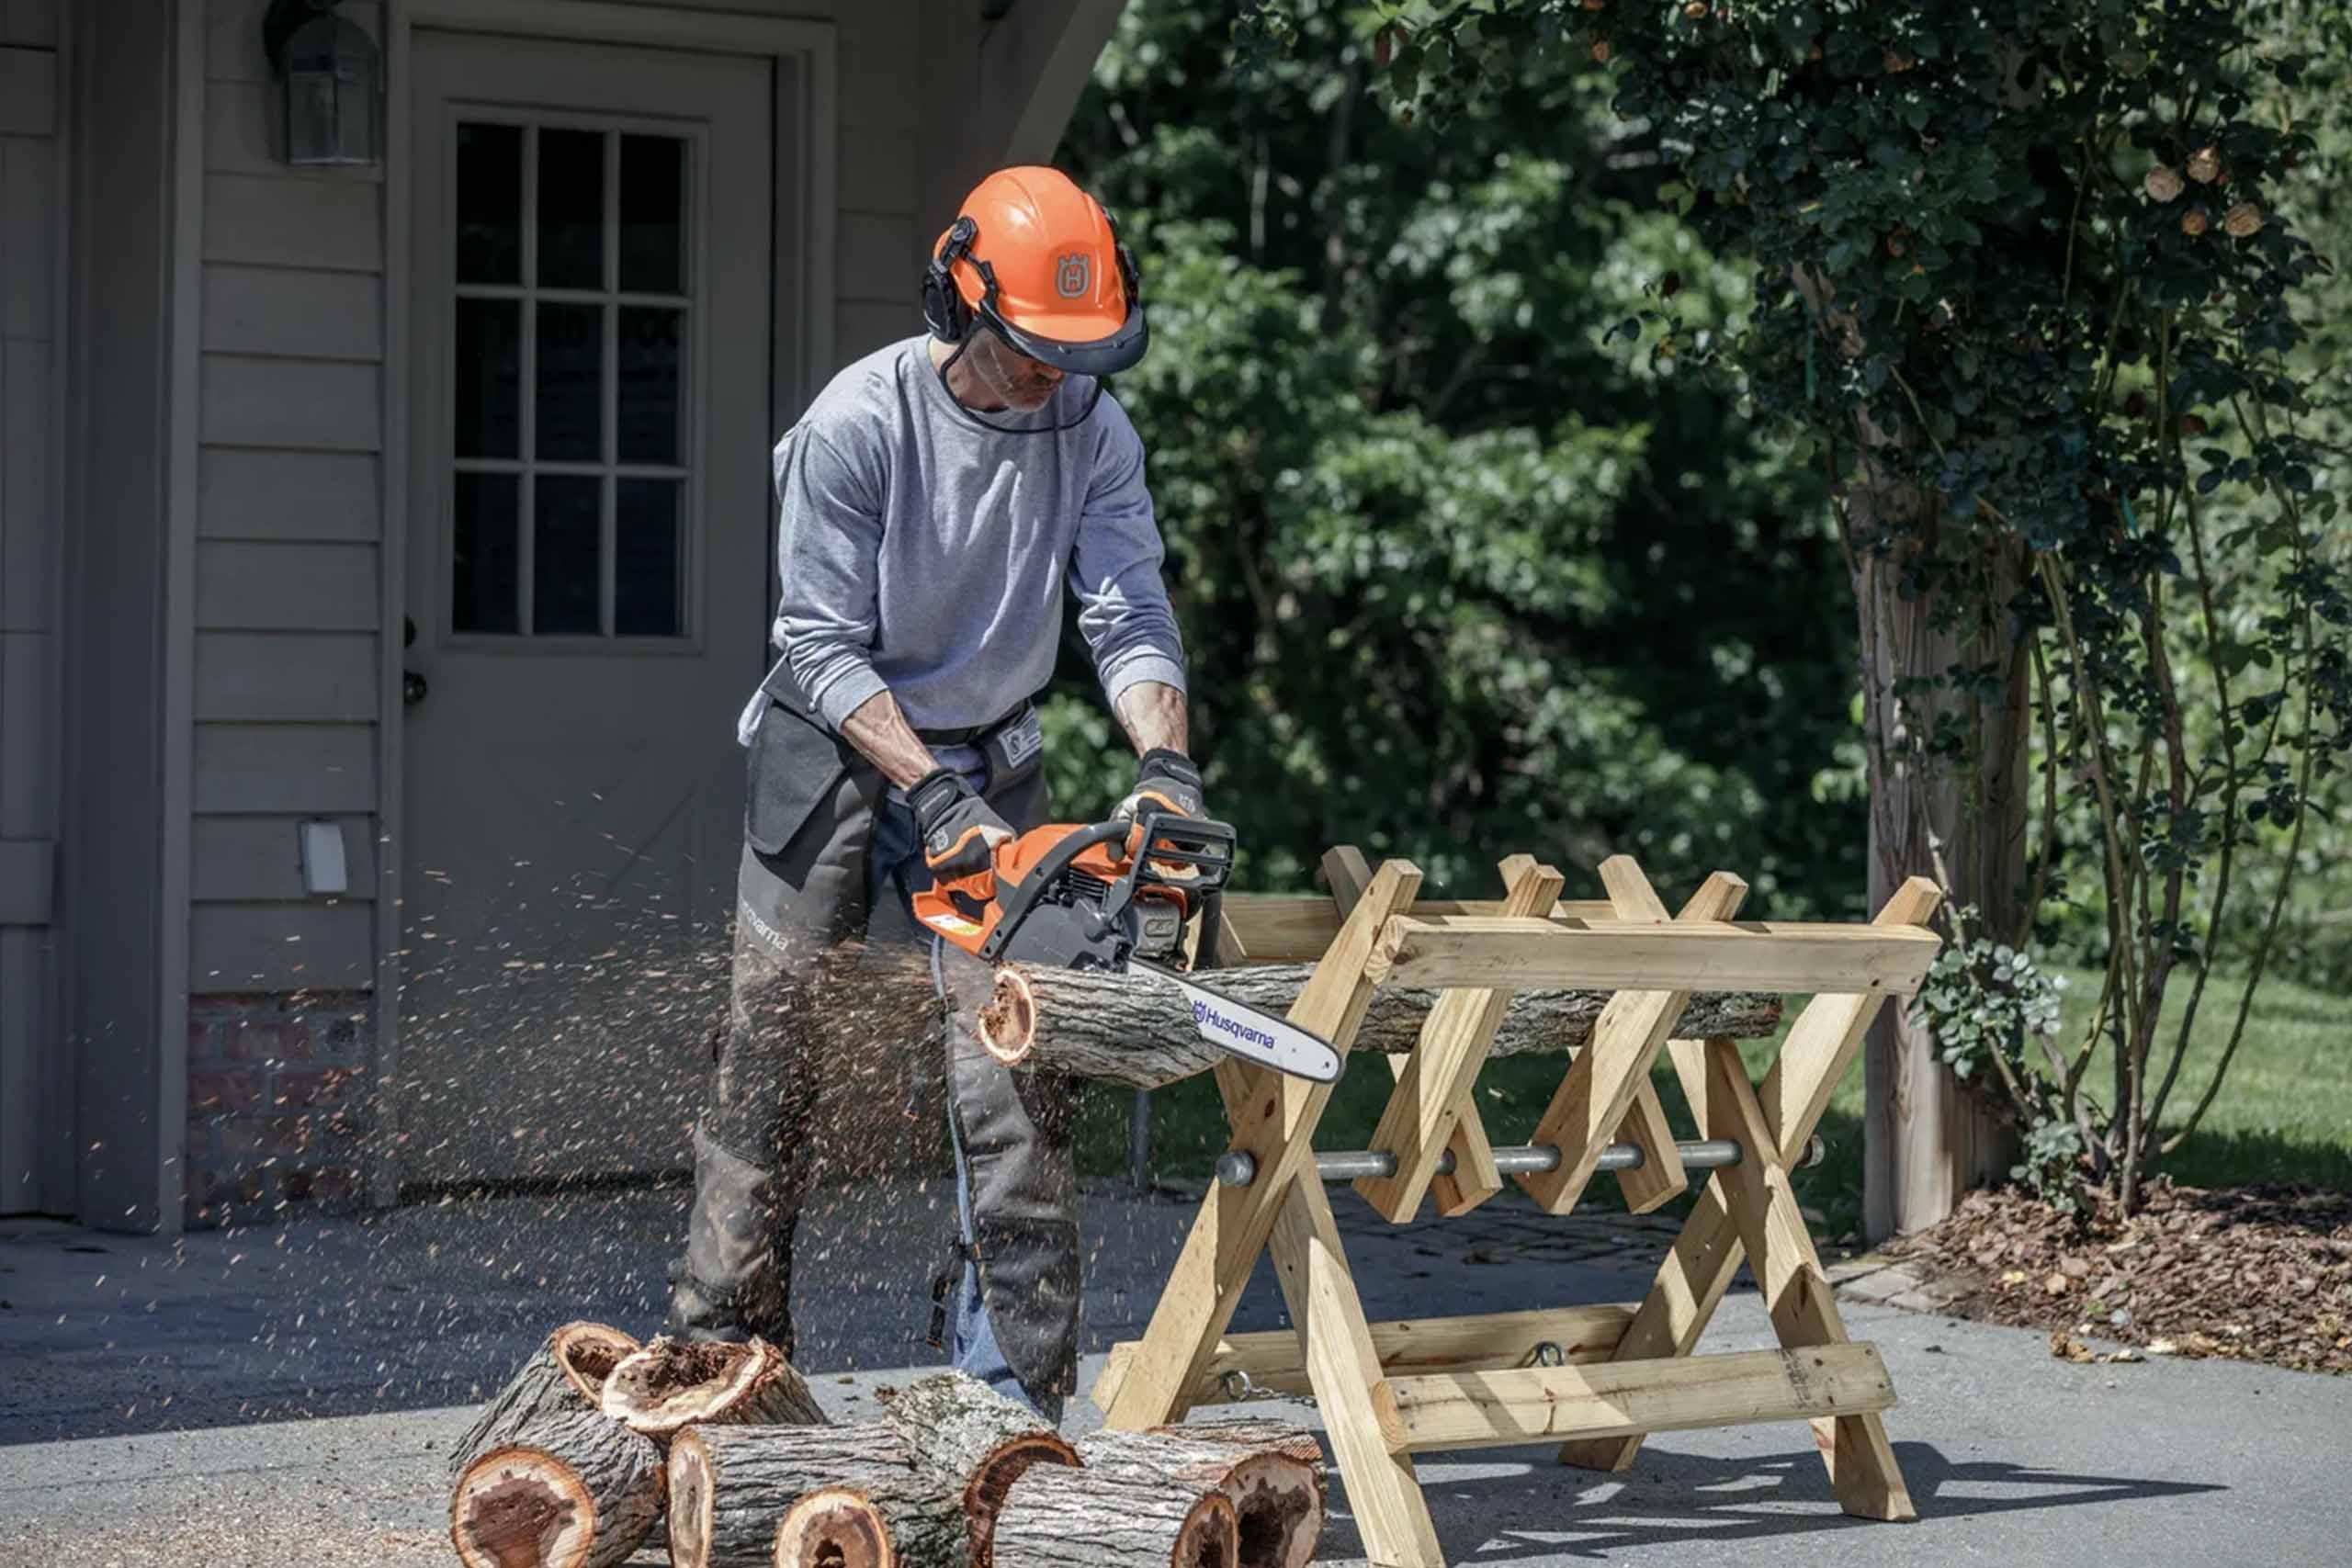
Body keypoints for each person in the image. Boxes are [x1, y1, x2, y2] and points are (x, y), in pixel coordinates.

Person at [663, 166, 1204, 1421]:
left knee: (1018, 1056)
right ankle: (723, 1365)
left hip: (996, 750)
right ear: (960, 302)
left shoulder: (1092, 425)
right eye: (1031, 352)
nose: (1055, 380)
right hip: (838, 745)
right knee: (769, 1048)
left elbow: (1125, 611)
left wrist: (1162, 763)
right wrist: (930, 790)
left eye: (1079, 354)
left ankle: (1006, 1397)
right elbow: (818, 644)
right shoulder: (860, 422)